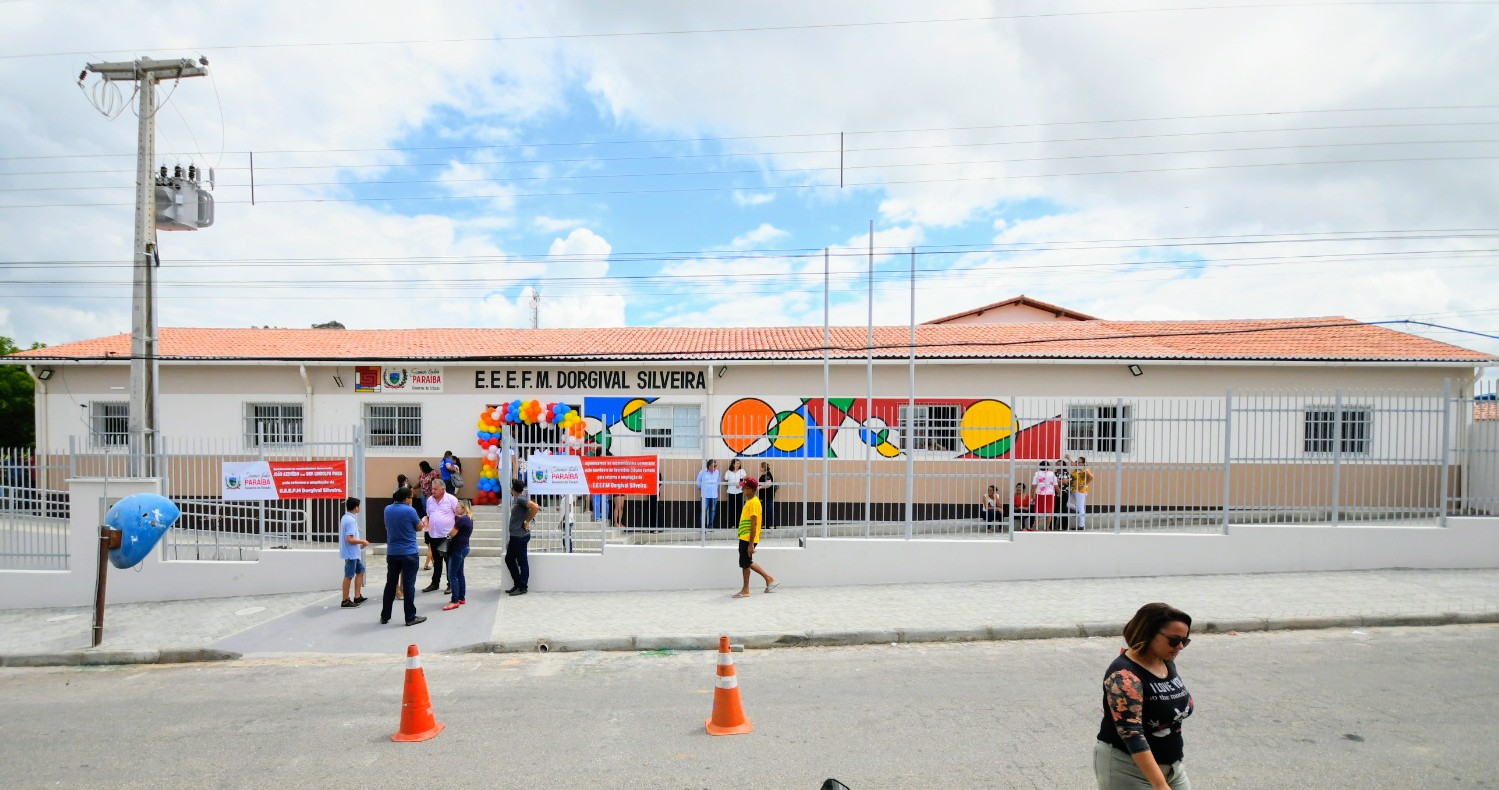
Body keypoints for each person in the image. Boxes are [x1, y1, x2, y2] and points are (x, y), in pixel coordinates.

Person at [1095, 603, 1195, 790]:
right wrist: (1160, 785)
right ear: (1148, 633)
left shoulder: (1165, 662)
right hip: (1128, 769)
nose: (1180, 646)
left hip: (1172, 767)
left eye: (1185, 641)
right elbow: (1131, 733)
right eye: (1174, 640)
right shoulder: (1124, 675)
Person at [379, 487, 425, 627]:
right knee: (409, 585)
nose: (412, 500)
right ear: (406, 499)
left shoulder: (387, 509)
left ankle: (385, 615)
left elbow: (388, 526)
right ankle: (410, 617)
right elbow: (419, 527)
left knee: (390, 584)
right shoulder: (410, 510)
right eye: (411, 497)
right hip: (409, 552)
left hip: (393, 552)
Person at [732, 478, 778, 598]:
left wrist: (751, 543)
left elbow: (754, 524)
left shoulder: (753, 503)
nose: (742, 489)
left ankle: (753, 586)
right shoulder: (750, 501)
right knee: (746, 562)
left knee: (746, 563)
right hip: (745, 537)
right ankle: (764, 580)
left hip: (748, 538)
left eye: (744, 488)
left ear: (751, 490)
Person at [419, 483, 459, 593]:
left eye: (436, 489)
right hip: (433, 534)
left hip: (446, 536)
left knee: (448, 561)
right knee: (436, 561)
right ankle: (435, 583)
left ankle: (451, 584)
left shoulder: (451, 499)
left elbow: (458, 515)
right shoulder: (430, 500)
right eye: (432, 488)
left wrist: (455, 532)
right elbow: (428, 514)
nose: (433, 491)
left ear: (443, 489)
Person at [505, 478, 540, 596]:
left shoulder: (520, 499)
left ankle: (523, 586)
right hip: (515, 536)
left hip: (520, 536)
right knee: (509, 559)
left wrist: (526, 521)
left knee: (522, 562)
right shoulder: (517, 499)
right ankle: (518, 584)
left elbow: (535, 507)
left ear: (512, 489)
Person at [442, 500, 474, 611]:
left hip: (458, 549)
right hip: (464, 547)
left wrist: (447, 533)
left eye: (458, 507)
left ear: (463, 508)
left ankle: (454, 600)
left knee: (452, 575)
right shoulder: (469, 518)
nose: (455, 509)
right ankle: (461, 597)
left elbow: (453, 533)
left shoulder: (462, 520)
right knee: (460, 573)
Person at [339, 497, 369, 608]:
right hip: (351, 553)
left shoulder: (346, 517)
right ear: (356, 507)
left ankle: (357, 596)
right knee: (349, 576)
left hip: (353, 552)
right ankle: (345, 600)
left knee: (361, 570)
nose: (360, 508)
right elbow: (350, 539)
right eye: (359, 506)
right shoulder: (350, 520)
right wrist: (363, 541)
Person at [1032, 460, 1058, 531]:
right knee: (1049, 512)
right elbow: (1056, 485)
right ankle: (1047, 528)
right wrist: (1060, 493)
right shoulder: (1052, 474)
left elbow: (1034, 486)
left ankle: (1036, 527)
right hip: (1050, 495)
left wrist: (1032, 495)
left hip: (1040, 494)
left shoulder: (1037, 474)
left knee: (1038, 512)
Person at [696, 460, 720, 529]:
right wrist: (702, 489)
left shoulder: (717, 472)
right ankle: (703, 527)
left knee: (712, 512)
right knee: (703, 511)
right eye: (713, 466)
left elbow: (718, 481)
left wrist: (715, 488)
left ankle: (710, 526)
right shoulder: (702, 472)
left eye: (715, 466)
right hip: (705, 495)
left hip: (714, 495)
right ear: (708, 466)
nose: (714, 468)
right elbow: (698, 482)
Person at [723, 459, 746, 529]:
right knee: (731, 509)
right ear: (733, 464)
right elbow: (725, 478)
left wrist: (740, 484)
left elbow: (745, 480)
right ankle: (732, 524)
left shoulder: (742, 471)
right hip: (731, 492)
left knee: (739, 509)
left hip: (739, 492)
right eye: (737, 463)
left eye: (739, 463)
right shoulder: (728, 472)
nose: (738, 465)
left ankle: (739, 524)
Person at [1072, 457, 1094, 531]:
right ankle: (1077, 509)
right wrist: (1069, 458)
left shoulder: (1085, 469)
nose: (1077, 463)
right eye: (1077, 462)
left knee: (1081, 507)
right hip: (1073, 489)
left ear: (1083, 463)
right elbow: (1073, 463)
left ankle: (1081, 525)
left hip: (1081, 490)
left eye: (1079, 462)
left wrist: (1084, 484)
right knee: (1066, 502)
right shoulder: (1077, 469)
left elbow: (1091, 477)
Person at [757, 462, 776, 529]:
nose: (760, 468)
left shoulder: (767, 475)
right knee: (764, 510)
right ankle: (766, 524)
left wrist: (760, 487)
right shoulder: (764, 475)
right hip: (763, 496)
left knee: (769, 510)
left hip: (767, 496)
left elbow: (769, 484)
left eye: (760, 467)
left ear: (763, 467)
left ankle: (771, 525)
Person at [1057, 457, 1074, 529]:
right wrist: (1061, 481)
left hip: (1064, 493)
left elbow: (1067, 482)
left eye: (1059, 464)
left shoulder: (1066, 473)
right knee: (1054, 509)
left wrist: (1059, 481)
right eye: (1057, 464)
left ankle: (1063, 526)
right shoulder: (1054, 473)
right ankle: (1052, 526)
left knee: (1063, 509)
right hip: (1055, 493)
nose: (1057, 465)